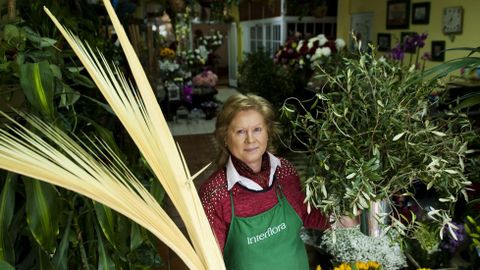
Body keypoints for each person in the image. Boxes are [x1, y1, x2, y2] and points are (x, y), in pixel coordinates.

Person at [199, 93, 330, 270]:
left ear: (268, 131)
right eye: (240, 132)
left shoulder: (285, 171)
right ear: (225, 138)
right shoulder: (216, 192)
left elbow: (305, 213)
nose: (250, 140)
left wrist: (339, 219)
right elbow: (209, 261)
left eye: (257, 129)